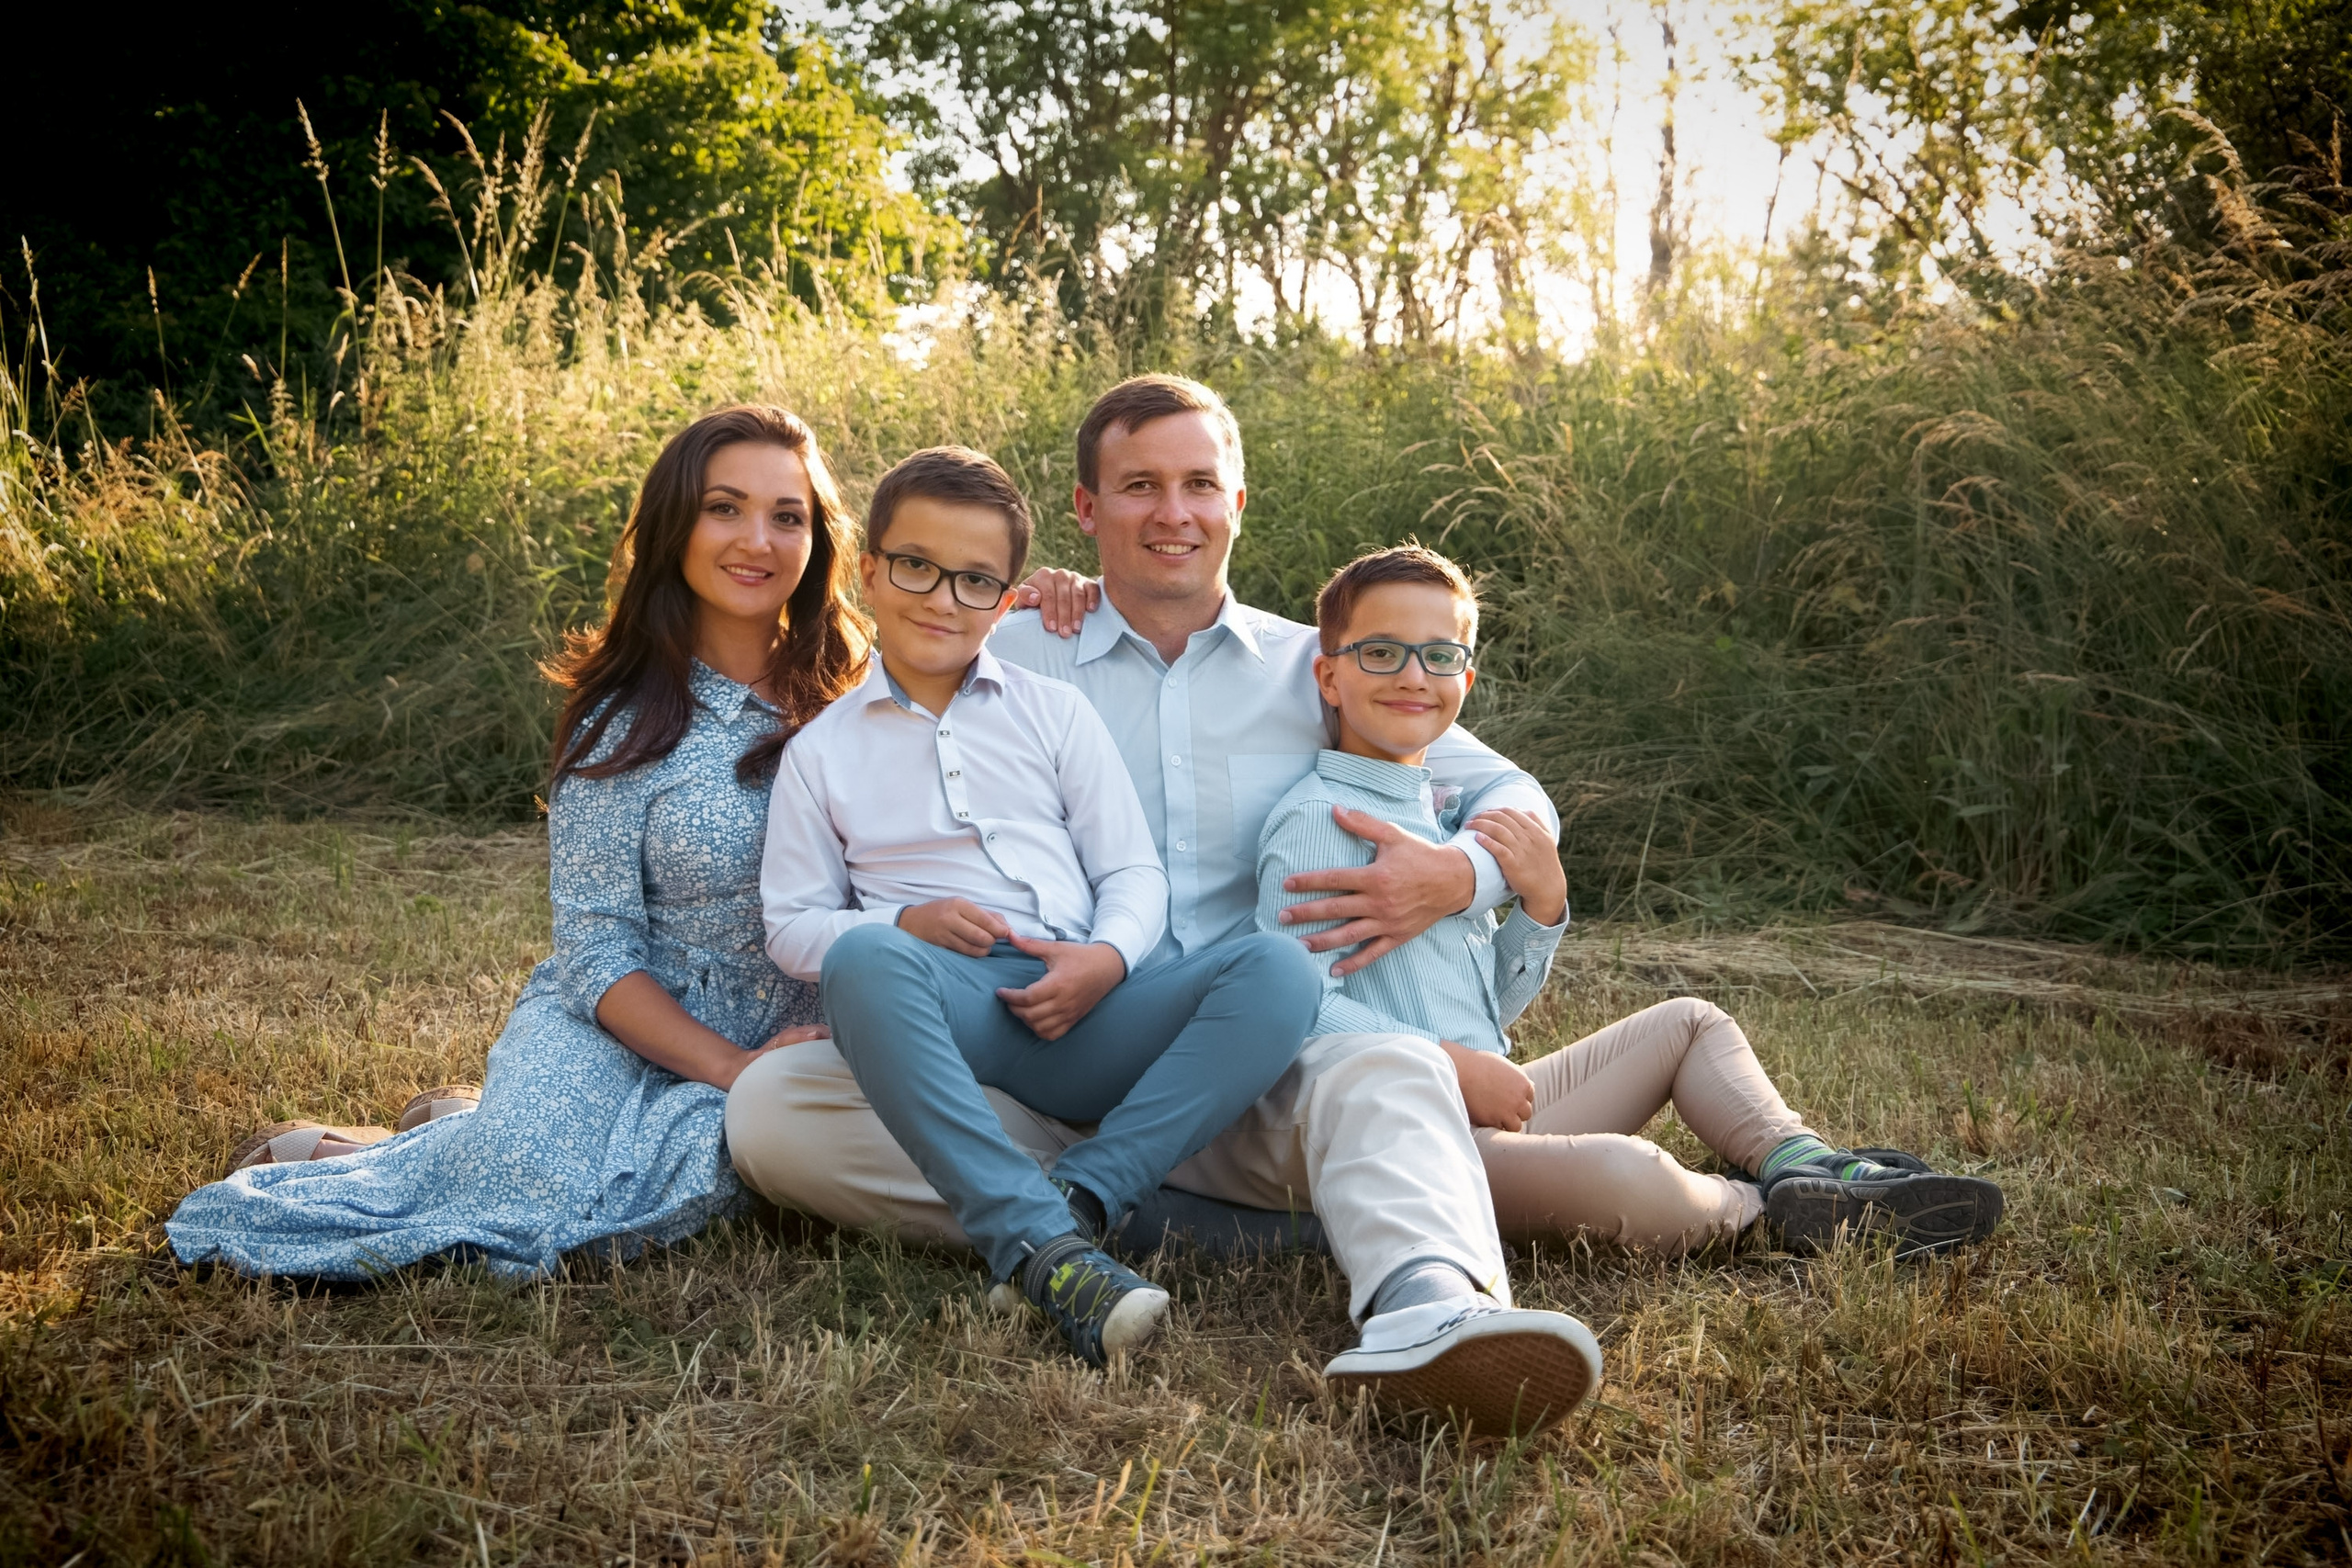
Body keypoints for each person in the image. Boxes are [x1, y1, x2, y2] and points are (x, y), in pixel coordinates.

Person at [727, 377, 1604, 1437]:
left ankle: (1432, 1308)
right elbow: (920, 656)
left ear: (1238, 501)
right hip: (1031, 1067)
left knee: (1384, 1061)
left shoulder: (1314, 668)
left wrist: (1461, 875)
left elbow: (1512, 792)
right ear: (1089, 511)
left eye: (1198, 485)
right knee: (774, 1115)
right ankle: (1153, 1225)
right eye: (1138, 486)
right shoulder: (1010, 645)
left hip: (1250, 1059)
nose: (1172, 513)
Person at [166, 405, 865, 1279]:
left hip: (796, 1029)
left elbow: (979, 635)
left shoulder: (862, 698)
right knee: (527, 1196)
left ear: (819, 539)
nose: (756, 539)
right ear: (675, 526)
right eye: (724, 507)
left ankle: (465, 1122)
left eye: (786, 515)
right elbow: (597, 946)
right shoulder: (624, 719)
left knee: (681, 1185)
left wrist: (1047, 598)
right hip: (631, 1021)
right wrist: (732, 1068)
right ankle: (346, 1149)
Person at [1257, 545, 2007, 1257]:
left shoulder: (1449, 821)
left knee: (1689, 1023)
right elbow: (1297, 1009)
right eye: (1381, 652)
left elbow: (1484, 1007)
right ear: (1330, 676)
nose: (1412, 675)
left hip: (1490, 1101)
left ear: (1467, 680)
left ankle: (1806, 1163)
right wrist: (1447, 1065)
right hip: (1410, 1138)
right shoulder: (1317, 821)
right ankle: (1770, 1208)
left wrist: (1540, 911)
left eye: (1439, 655)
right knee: (1624, 1176)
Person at [759, 446, 1324, 1367]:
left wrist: (1103, 960)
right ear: (868, 572)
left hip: (1091, 1008)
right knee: (861, 961)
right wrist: (901, 923)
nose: (943, 600)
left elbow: (1133, 875)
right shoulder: (820, 752)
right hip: (953, 1011)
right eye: (916, 568)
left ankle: (1081, 1207)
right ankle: (1050, 1250)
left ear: (1011, 596)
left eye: (977, 581)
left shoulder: (1051, 711)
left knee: (1278, 970)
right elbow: (792, 924)